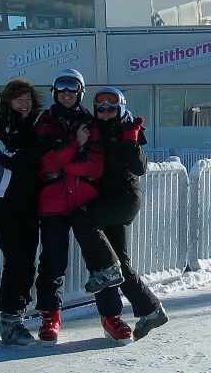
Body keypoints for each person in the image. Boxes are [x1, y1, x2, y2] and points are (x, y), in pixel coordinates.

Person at [72, 87, 169, 343]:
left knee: (83, 219)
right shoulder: (90, 128)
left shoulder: (128, 127)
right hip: (101, 198)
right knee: (116, 263)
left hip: (124, 198)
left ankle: (111, 277)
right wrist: (78, 143)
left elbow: (140, 167)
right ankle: (150, 309)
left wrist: (131, 140)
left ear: (121, 107)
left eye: (111, 108)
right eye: (100, 108)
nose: (105, 113)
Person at [33, 69, 122, 345]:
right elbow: (44, 163)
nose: (67, 94)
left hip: (84, 202)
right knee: (52, 261)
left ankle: (111, 316)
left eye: (72, 89)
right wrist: (75, 146)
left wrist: (64, 160)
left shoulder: (90, 122)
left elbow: (95, 164)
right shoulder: (45, 122)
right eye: (62, 89)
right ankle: (50, 315)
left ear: (80, 92)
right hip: (53, 203)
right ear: (55, 93)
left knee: (99, 262)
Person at [0, 79, 43, 346]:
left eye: (28, 99)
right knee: (16, 259)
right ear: (7, 101)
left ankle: (17, 316)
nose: (25, 103)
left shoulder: (38, 125)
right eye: (19, 98)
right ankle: (9, 321)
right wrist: (39, 146)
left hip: (31, 201)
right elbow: (10, 158)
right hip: (4, 201)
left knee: (27, 260)